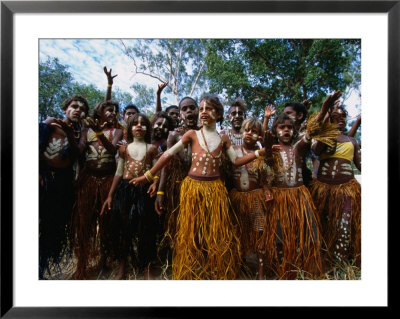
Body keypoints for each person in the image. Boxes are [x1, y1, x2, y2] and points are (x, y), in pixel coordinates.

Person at [131, 94, 267, 280]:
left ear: (218, 114)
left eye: (209, 109)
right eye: (201, 108)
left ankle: (212, 268)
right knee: (191, 231)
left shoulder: (223, 138)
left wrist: (258, 153)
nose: (203, 112)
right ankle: (190, 270)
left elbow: (236, 161)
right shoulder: (191, 135)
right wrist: (148, 175)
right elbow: (167, 155)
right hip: (192, 189)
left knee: (213, 232)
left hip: (215, 192)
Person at [264, 91, 341, 279]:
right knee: (279, 237)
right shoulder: (272, 150)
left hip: (300, 196)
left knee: (310, 234)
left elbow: (312, 130)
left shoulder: (298, 146)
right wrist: (266, 147)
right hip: (280, 198)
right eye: (281, 127)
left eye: (289, 127)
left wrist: (324, 109)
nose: (286, 130)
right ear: (275, 131)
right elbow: (265, 161)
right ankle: (283, 271)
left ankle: (309, 270)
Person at [101, 114, 160, 279]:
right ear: (129, 128)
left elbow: (156, 170)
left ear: (147, 128)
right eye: (135, 124)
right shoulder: (123, 149)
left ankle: (146, 266)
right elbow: (119, 172)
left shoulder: (152, 148)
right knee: (123, 228)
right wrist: (110, 195)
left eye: (142, 124)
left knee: (146, 229)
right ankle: (122, 266)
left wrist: (155, 183)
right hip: (125, 190)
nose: (139, 126)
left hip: (145, 191)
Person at [71, 100, 123, 279]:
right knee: (85, 225)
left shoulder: (117, 131)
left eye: (115, 111)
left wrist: (100, 132)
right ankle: (82, 266)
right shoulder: (86, 131)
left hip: (108, 181)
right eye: (109, 110)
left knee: (107, 224)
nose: (112, 112)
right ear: (100, 112)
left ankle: (104, 261)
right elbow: (79, 154)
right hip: (88, 182)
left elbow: (110, 150)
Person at [39, 95, 89, 279]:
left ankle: (40, 268)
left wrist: (70, 132)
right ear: (65, 109)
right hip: (42, 178)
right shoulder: (50, 124)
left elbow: (78, 153)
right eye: (74, 106)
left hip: (62, 183)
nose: (78, 110)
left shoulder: (81, 132)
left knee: (51, 227)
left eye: (82, 109)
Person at [310, 104, 361, 268]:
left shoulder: (352, 141)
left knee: (344, 226)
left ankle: (339, 266)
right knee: (323, 225)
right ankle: (323, 262)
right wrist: (326, 127)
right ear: (330, 119)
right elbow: (317, 151)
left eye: (343, 116)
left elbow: (360, 164)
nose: (340, 118)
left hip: (347, 189)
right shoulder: (324, 137)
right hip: (324, 189)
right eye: (335, 116)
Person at [155, 96, 199, 263]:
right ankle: (180, 260)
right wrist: (160, 191)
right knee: (179, 223)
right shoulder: (174, 135)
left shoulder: (205, 133)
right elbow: (166, 163)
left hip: (201, 186)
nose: (189, 111)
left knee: (198, 223)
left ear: (197, 110)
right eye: (184, 109)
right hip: (179, 186)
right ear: (180, 113)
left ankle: (197, 258)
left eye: (192, 107)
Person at [228, 118, 273, 280]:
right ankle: (240, 265)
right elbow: (230, 167)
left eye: (254, 131)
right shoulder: (233, 150)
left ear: (259, 135)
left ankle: (261, 271)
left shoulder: (261, 155)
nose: (249, 133)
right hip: (237, 198)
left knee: (259, 231)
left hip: (255, 198)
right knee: (238, 231)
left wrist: (266, 189)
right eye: (247, 130)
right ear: (242, 132)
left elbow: (265, 177)